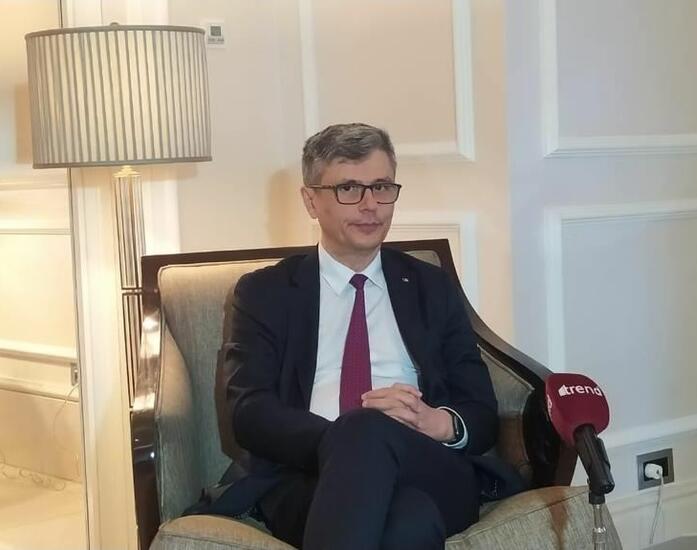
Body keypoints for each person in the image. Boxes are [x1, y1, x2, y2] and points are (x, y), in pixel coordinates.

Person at [207, 123, 519, 550]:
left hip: (429, 467)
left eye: (382, 187)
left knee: (370, 438)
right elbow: (249, 413)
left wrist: (437, 422)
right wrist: (350, 440)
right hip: (307, 476)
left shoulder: (431, 286)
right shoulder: (265, 293)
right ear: (310, 200)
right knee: (407, 522)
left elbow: (480, 410)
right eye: (349, 189)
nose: (370, 205)